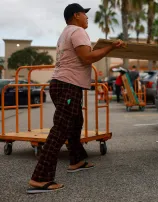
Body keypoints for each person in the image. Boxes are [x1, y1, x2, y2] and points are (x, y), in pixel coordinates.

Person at [26, 3, 125, 194]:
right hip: (68, 85)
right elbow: (86, 58)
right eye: (84, 14)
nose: (87, 17)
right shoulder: (78, 31)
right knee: (60, 129)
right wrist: (110, 48)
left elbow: (82, 55)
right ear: (75, 15)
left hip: (63, 84)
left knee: (75, 122)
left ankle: (76, 160)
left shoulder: (66, 32)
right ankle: (41, 177)